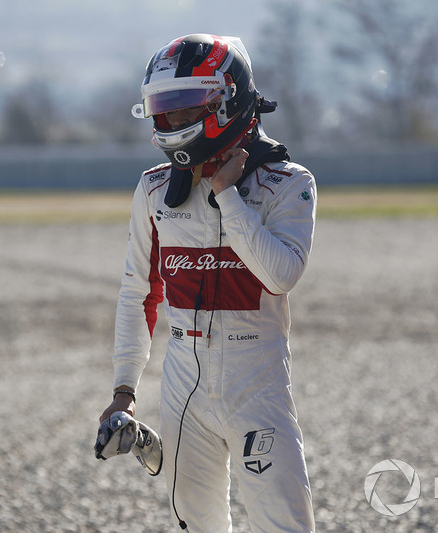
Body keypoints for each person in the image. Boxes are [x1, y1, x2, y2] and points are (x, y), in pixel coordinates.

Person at [98, 33, 317, 532]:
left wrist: (228, 199)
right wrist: (123, 393)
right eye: (164, 109)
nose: (172, 122)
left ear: (226, 99)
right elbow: (138, 293)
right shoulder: (153, 189)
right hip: (182, 383)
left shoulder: (289, 183)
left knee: (284, 526)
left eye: (183, 108)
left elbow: (281, 277)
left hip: (255, 381)